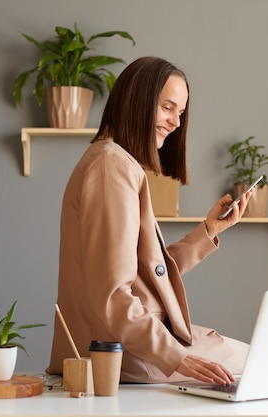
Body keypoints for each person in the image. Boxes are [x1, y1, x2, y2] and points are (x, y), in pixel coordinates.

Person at [47, 56, 252, 386]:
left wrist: (208, 231)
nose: (175, 122)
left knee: (264, 360)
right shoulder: (110, 167)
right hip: (123, 354)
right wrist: (177, 357)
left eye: (181, 113)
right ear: (137, 101)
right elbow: (112, 294)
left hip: (133, 346)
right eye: (168, 107)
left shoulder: (112, 161)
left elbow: (145, 271)